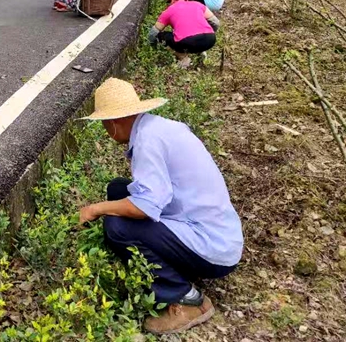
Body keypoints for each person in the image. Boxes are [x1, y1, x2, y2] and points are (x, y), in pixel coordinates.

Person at [79, 78, 243, 335]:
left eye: (103, 125)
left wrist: (95, 209)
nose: (105, 133)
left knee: (118, 226)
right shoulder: (160, 128)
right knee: (118, 189)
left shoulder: (147, 142)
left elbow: (145, 207)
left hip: (213, 248)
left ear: (112, 123)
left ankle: (187, 299)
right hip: (218, 231)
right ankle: (169, 264)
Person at [149, 0, 219, 68]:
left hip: (187, 42)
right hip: (210, 39)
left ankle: (183, 58)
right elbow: (215, 22)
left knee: (161, 36)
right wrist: (209, 32)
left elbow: (154, 32)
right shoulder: (198, 4)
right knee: (197, 37)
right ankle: (201, 51)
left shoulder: (169, 10)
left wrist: (150, 45)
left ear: (172, 0)